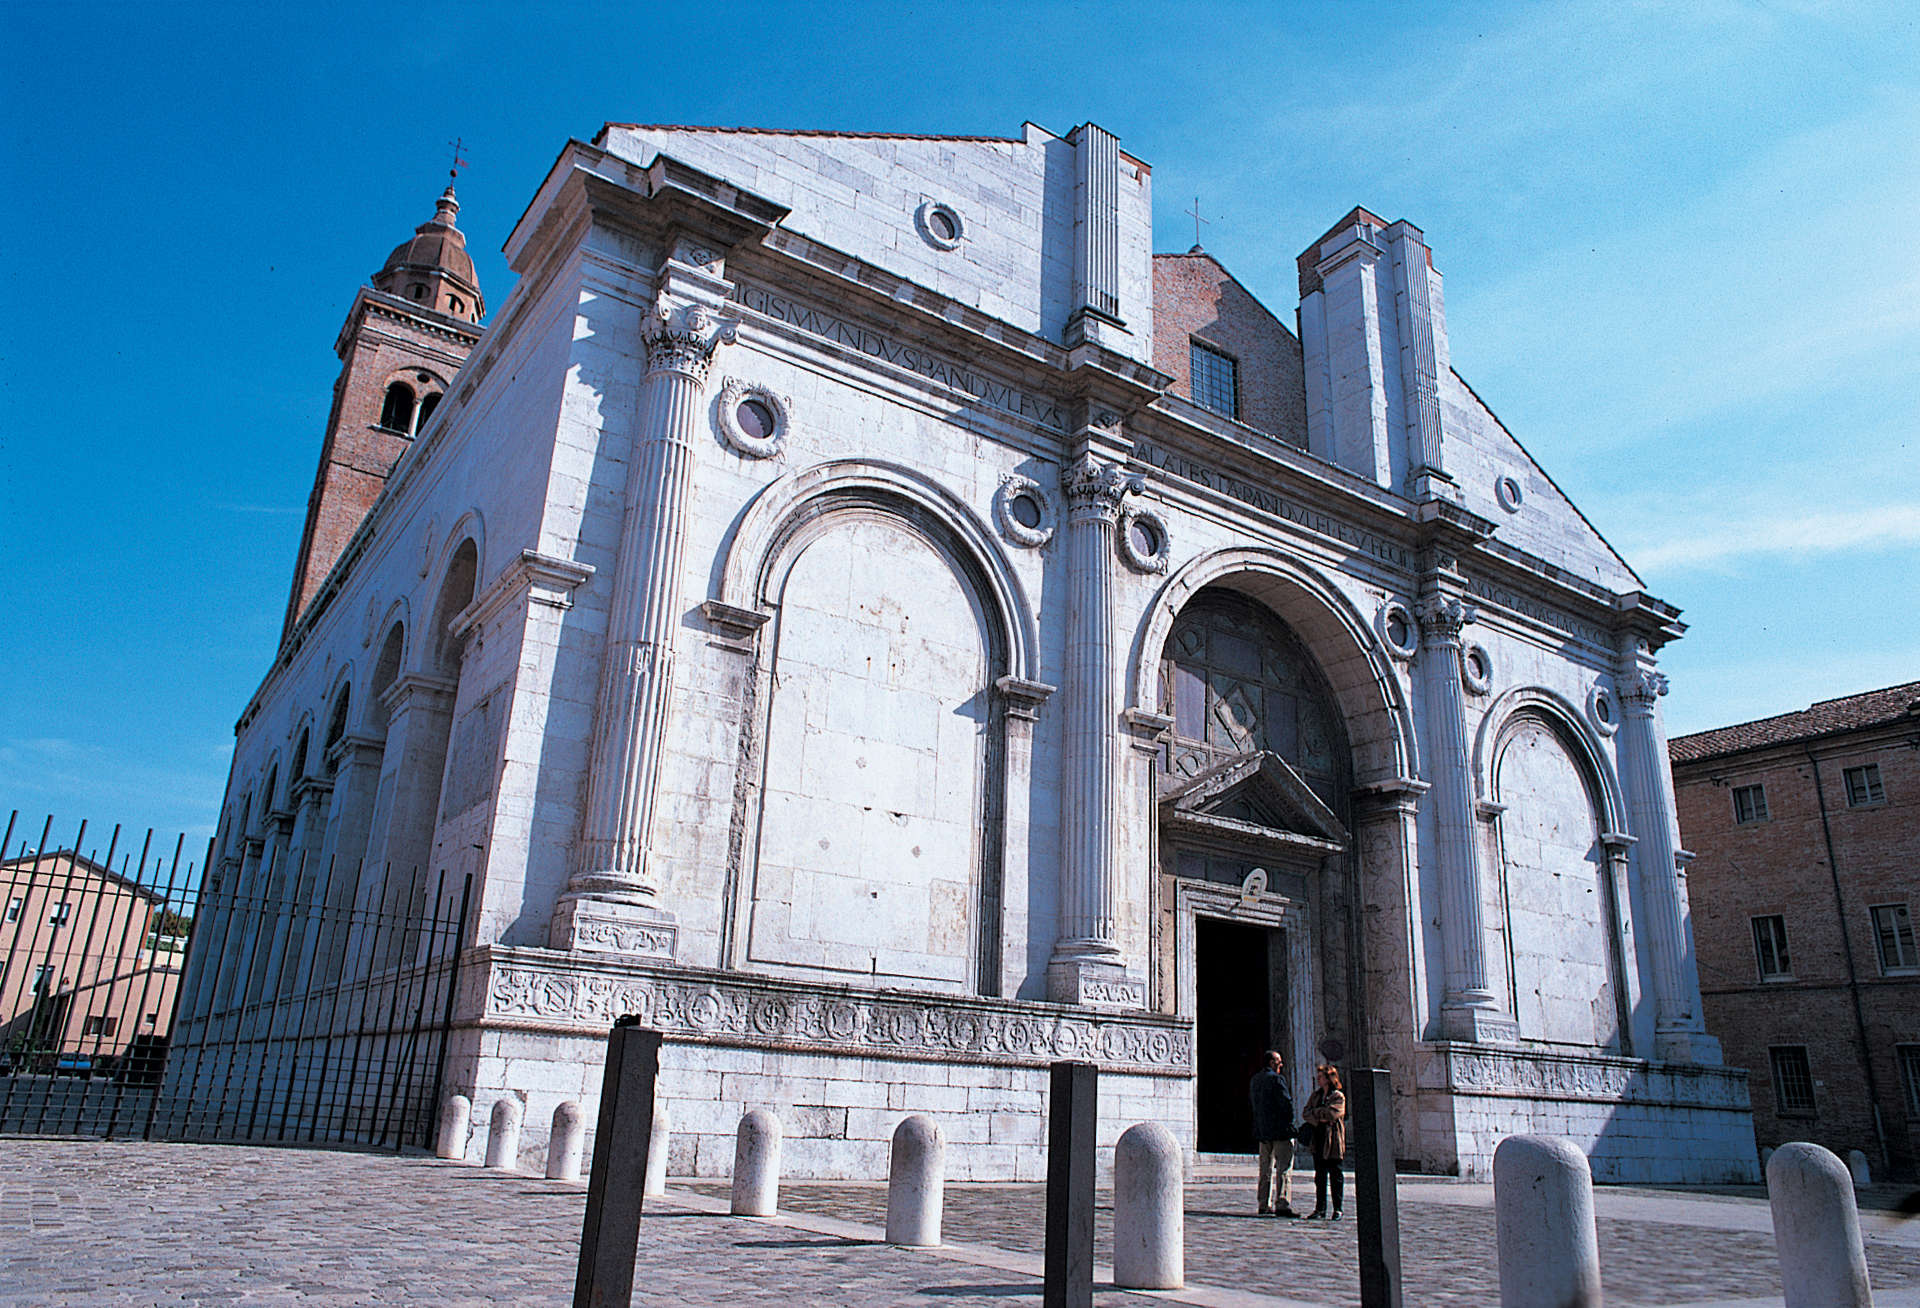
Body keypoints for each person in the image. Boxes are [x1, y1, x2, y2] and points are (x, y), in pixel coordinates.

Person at [1247, 1050, 1296, 1217]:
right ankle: (1282, 1203)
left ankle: (1263, 1203)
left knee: (1265, 1168)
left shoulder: (1255, 1080)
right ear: (1271, 1063)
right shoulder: (1277, 1079)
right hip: (1280, 1131)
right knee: (1284, 1167)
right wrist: (1289, 1123)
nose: (1281, 1064)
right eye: (1278, 1061)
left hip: (1263, 1131)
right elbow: (1286, 1103)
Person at [1300, 1063, 1347, 1220]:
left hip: (1332, 1140)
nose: (1318, 1079)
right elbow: (1306, 1113)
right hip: (1318, 1138)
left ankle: (1338, 1208)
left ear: (1328, 1079)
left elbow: (1333, 1114)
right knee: (1320, 1176)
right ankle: (1320, 1209)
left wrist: (1317, 1113)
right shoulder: (1316, 1096)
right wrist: (1320, 1116)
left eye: (1321, 1077)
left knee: (1335, 1174)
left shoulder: (1338, 1096)